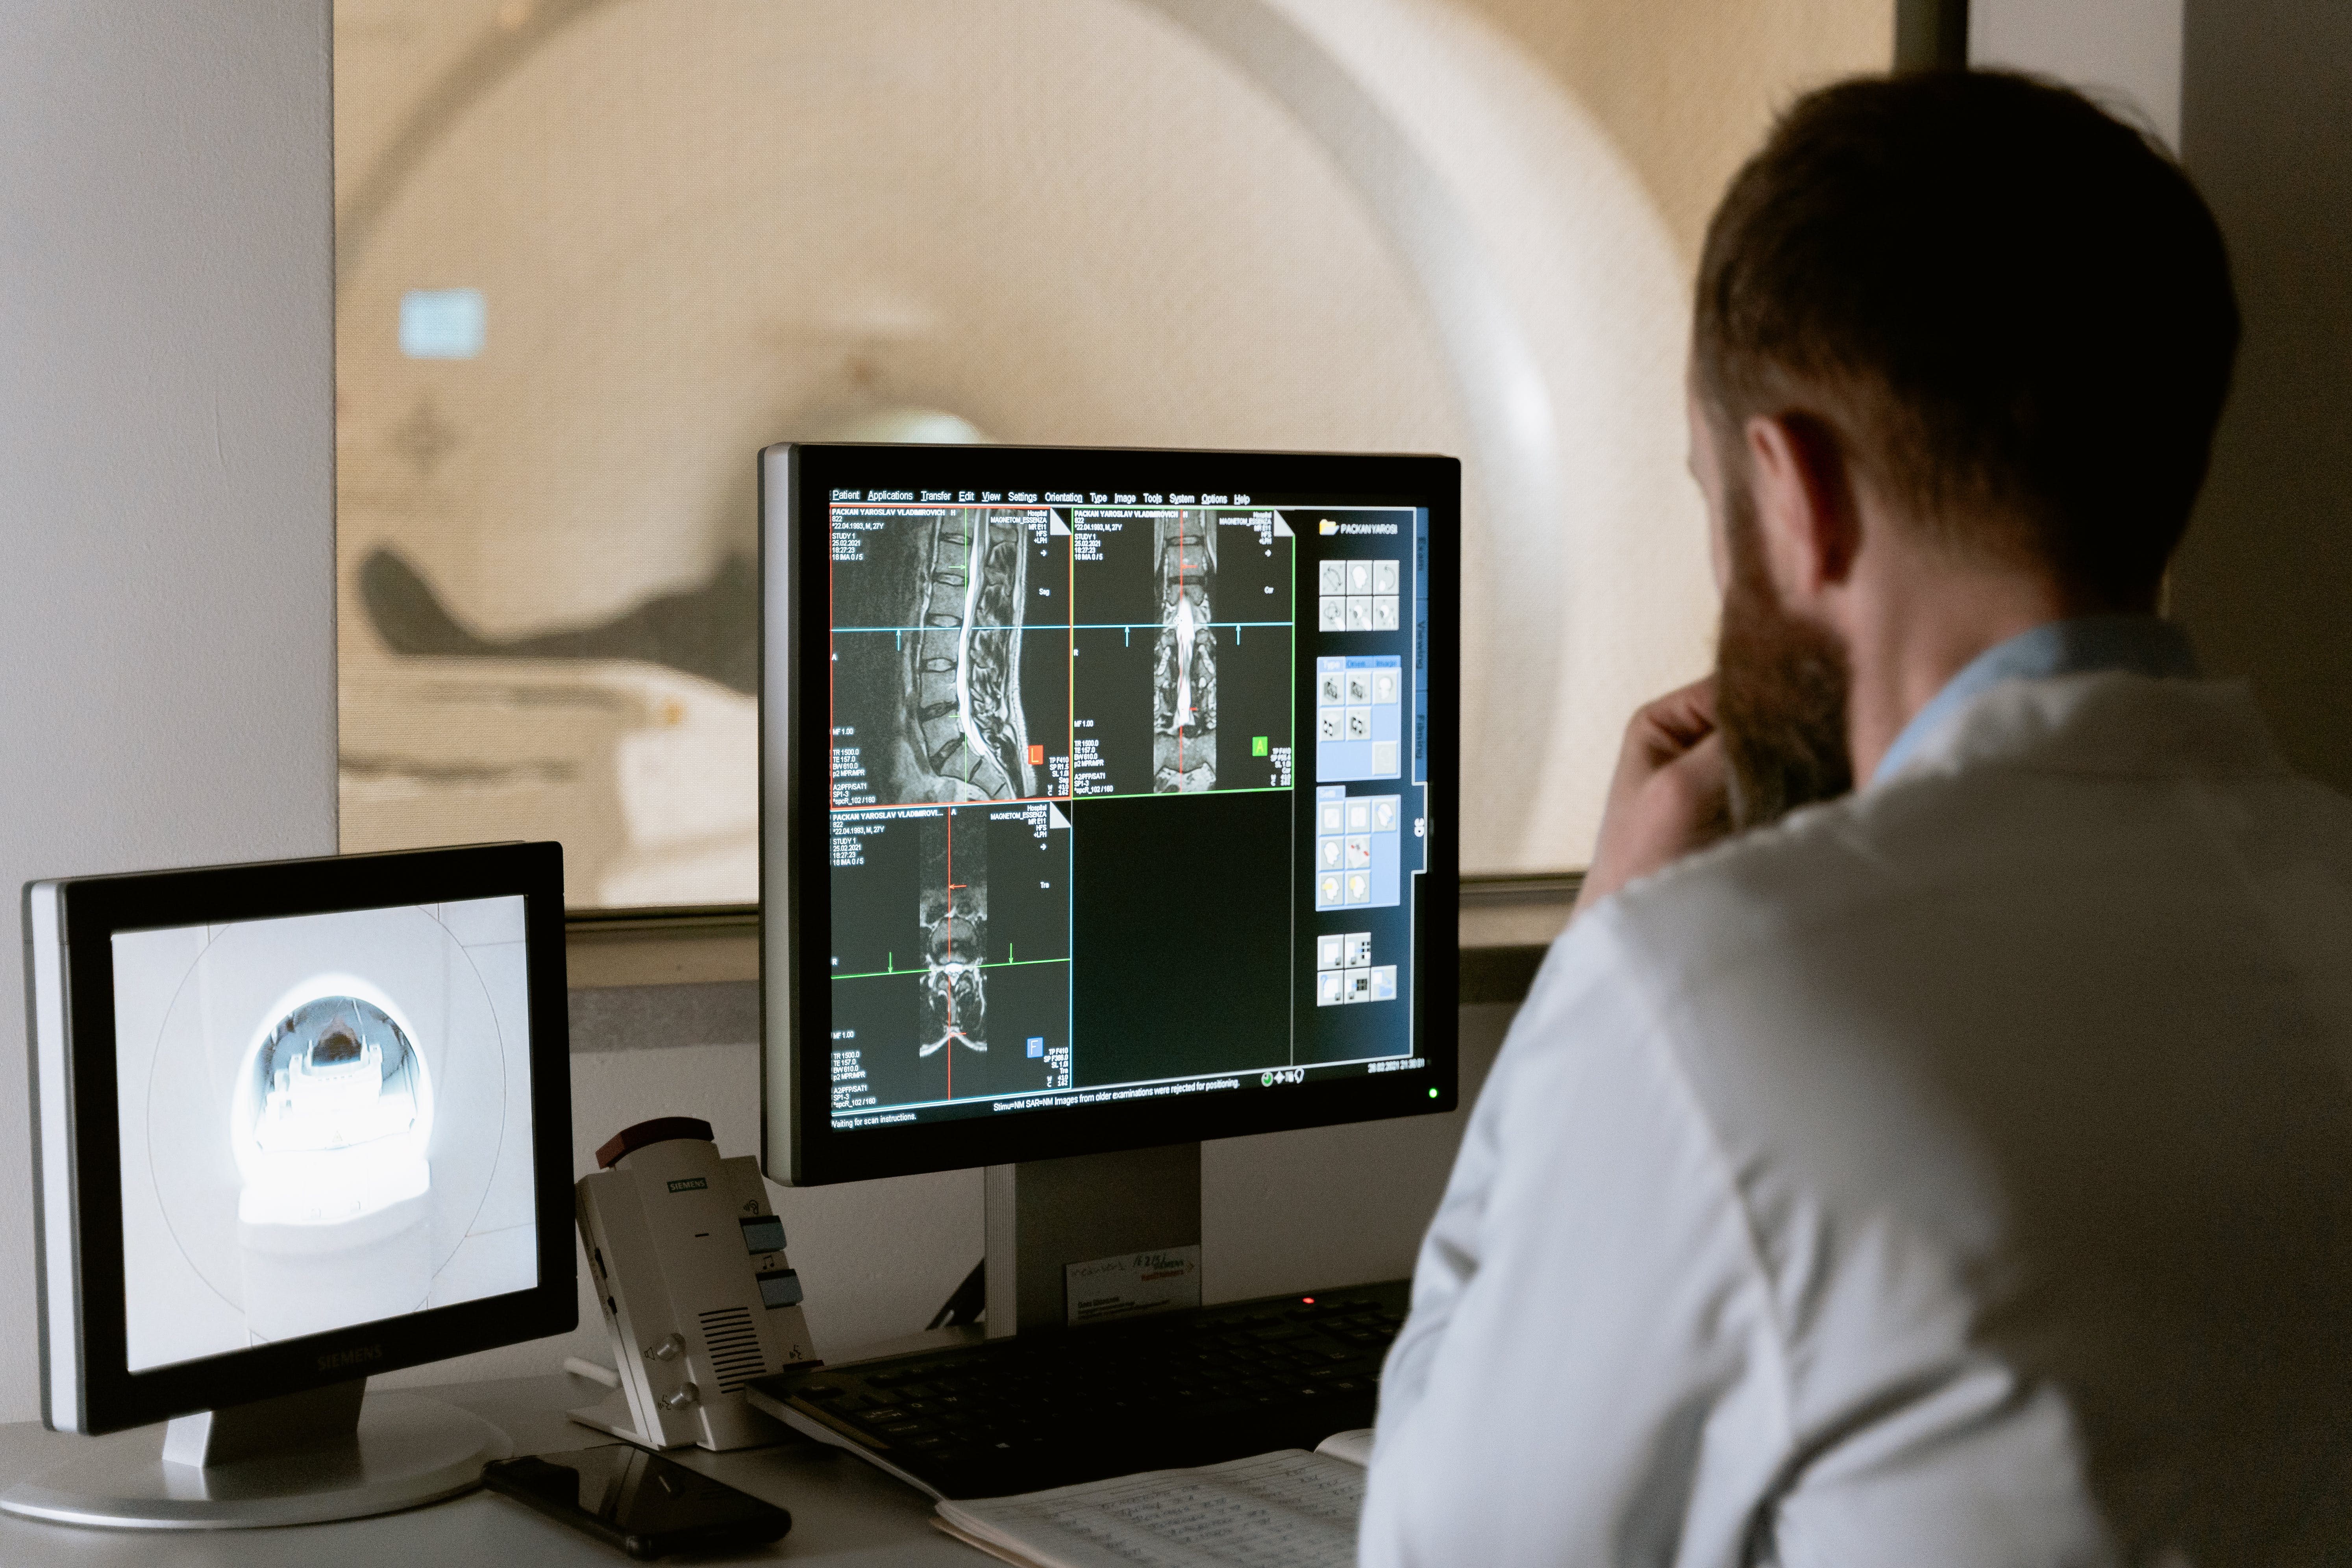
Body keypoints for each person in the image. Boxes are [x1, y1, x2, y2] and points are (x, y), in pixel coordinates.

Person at [1360, 70, 2352, 1566]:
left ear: (1796, 490)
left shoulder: (1707, 994)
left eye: (1714, 494)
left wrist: (1603, 958)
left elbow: (1443, 1550)